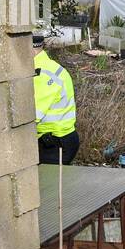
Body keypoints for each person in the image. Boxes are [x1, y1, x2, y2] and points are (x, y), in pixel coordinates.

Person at [33, 34, 79, 165]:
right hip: (58, 140)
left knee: (47, 184)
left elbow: (33, 114)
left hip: (55, 143)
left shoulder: (42, 74)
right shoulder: (49, 67)